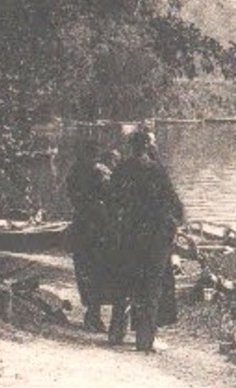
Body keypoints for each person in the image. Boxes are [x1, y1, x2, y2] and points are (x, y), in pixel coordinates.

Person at [105, 124, 184, 353]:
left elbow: (112, 201)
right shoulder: (156, 170)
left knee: (124, 283)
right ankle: (144, 339)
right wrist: (175, 223)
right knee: (151, 287)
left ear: (131, 147)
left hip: (128, 235)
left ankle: (115, 333)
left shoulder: (121, 170)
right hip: (153, 237)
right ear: (148, 146)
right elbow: (174, 204)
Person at [63, 138, 112, 332]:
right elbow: (111, 195)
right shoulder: (99, 172)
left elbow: (74, 198)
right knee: (96, 270)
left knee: (86, 270)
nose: (93, 157)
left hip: (83, 227)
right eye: (92, 153)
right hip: (96, 228)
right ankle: (93, 313)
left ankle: (92, 313)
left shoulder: (75, 171)